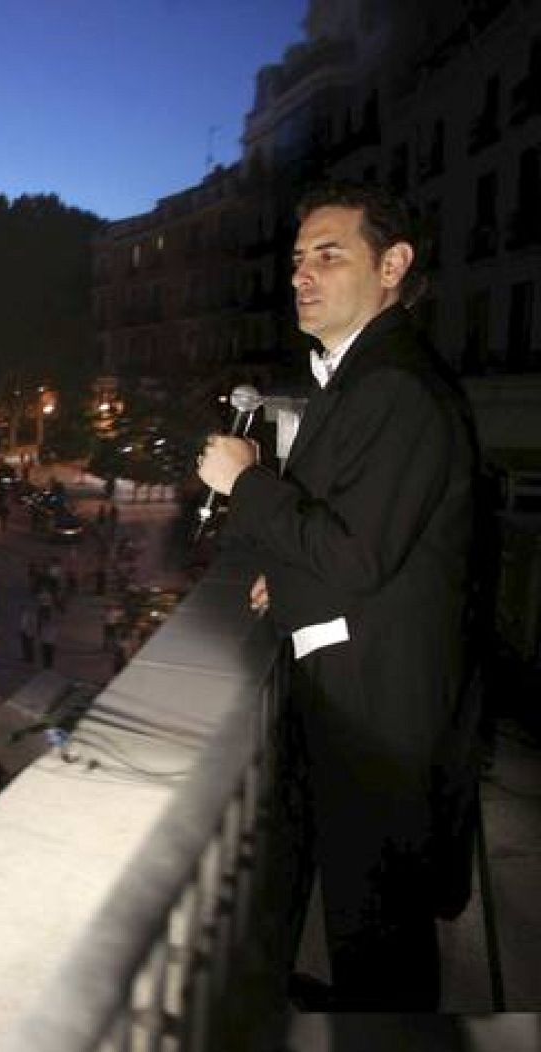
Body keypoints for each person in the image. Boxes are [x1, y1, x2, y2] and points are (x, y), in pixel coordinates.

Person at [198, 181, 479, 1011]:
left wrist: (246, 485)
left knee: (380, 929)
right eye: (296, 260)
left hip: (381, 720)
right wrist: (279, 577)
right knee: (362, 916)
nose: (301, 276)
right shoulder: (364, 380)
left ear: (393, 266)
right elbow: (354, 530)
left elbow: (352, 552)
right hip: (362, 706)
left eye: (330, 255)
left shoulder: (394, 388)